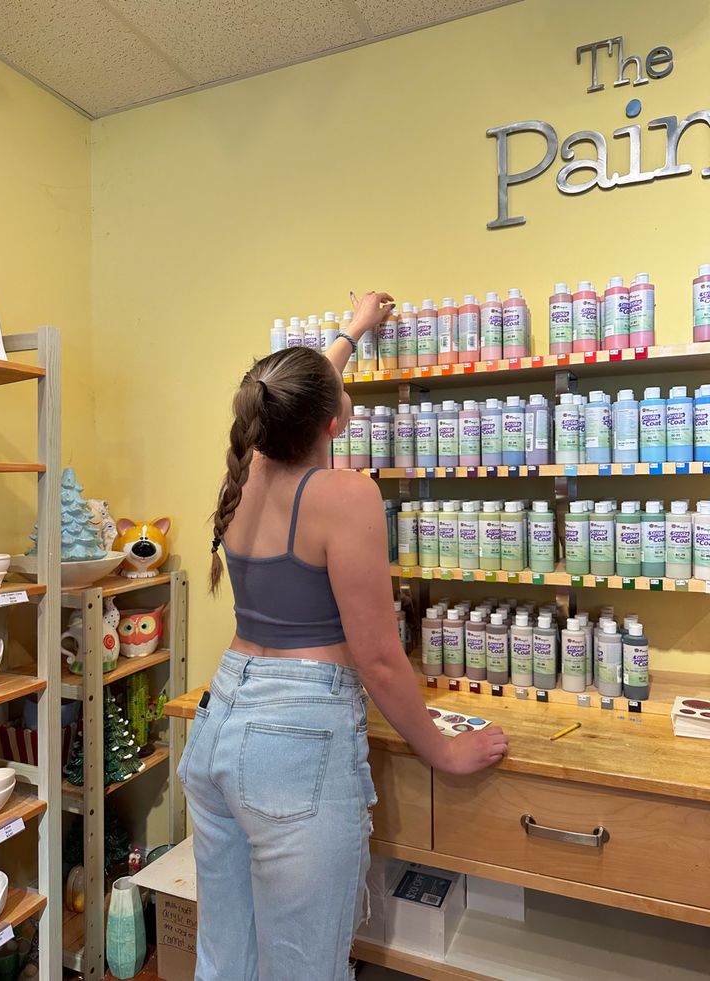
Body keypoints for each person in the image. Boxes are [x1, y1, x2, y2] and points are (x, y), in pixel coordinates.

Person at [178, 291, 509, 981]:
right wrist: (442, 752)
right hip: (294, 742)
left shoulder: (245, 472)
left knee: (225, 958)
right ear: (334, 420)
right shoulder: (347, 495)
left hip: (222, 719)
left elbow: (295, 391)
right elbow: (381, 659)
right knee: (303, 965)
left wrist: (352, 331)